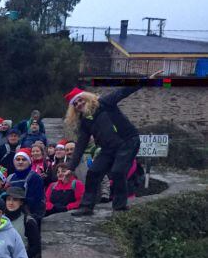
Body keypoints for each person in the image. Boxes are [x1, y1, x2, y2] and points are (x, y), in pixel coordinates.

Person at [65, 74, 161, 215]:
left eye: (80, 100)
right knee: (93, 172)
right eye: (75, 104)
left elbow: (123, 92)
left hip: (128, 141)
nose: (79, 104)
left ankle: (120, 206)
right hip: (108, 149)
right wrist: (71, 167)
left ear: (86, 98)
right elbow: (80, 145)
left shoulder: (104, 103)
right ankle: (86, 206)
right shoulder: (85, 122)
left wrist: (145, 80)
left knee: (118, 171)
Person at [5, 149, 46, 221]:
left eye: (24, 160)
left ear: (29, 162)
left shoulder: (35, 177)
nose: (20, 162)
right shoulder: (10, 178)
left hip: (30, 215)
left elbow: (37, 200)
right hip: (12, 214)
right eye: (18, 159)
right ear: (14, 162)